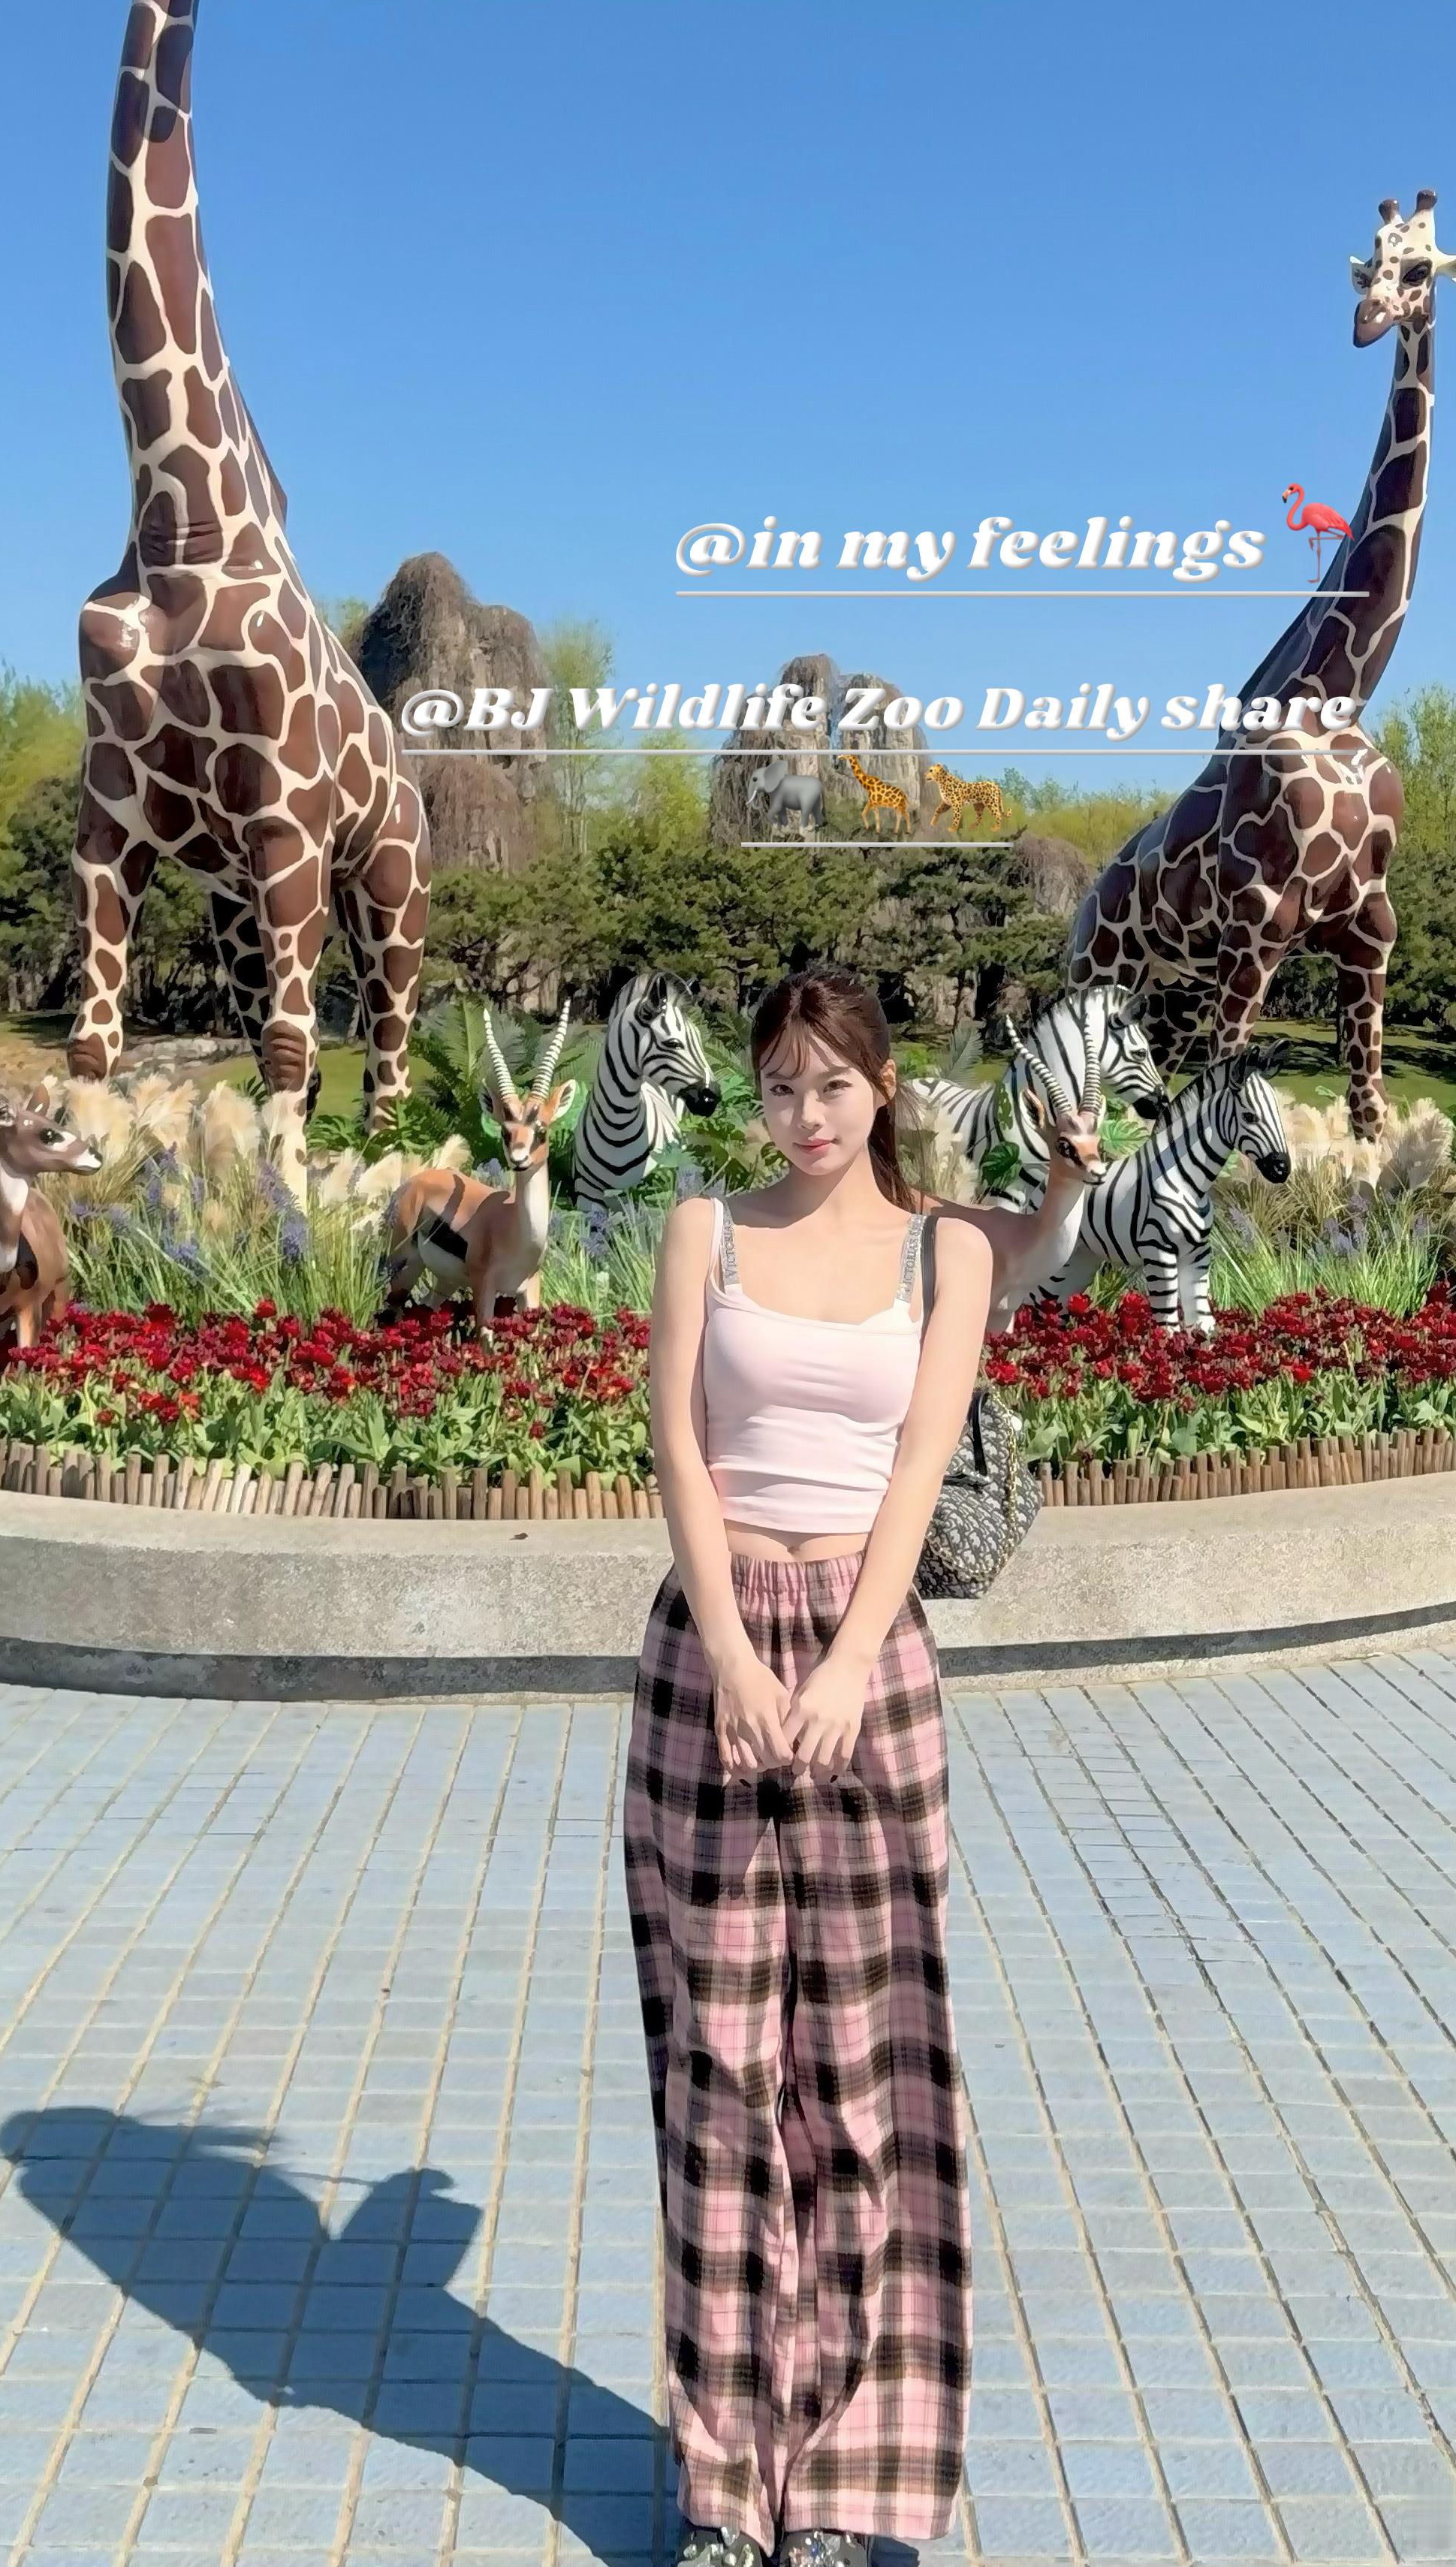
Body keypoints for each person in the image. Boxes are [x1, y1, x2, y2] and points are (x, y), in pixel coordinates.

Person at [625, 968, 992, 2567]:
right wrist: (729, 1653)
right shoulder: (704, 1229)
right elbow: (676, 1444)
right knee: (716, 2079)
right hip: (708, 1661)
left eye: (832, 1082)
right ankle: (723, 2484)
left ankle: (850, 2481)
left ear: (882, 1086)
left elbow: (919, 1463)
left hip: (868, 1661)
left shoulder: (945, 1249)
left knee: (864, 2074)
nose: (805, 1113)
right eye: (778, 1084)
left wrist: (841, 1660)